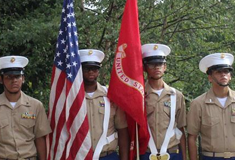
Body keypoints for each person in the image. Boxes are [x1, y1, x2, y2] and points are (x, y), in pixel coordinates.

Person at [79, 49, 129, 160]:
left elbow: (122, 131)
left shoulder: (111, 96)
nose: (91, 72)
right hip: (80, 156)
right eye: (87, 69)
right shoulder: (73, 98)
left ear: (98, 71)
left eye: (95, 68)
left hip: (107, 155)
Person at [140, 44, 187, 160]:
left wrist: (185, 157)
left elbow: (181, 129)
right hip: (146, 153)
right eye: (152, 64)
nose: (157, 67)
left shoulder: (176, 96)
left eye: (160, 64)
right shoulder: (139, 95)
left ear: (165, 67)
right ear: (145, 68)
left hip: (172, 153)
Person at [0, 55, 51, 160]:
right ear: (1, 80)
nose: (14, 80)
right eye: (8, 77)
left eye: (17, 76)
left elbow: (40, 139)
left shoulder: (36, 106)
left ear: (23, 79)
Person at [187, 53, 235, 160]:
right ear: (210, 77)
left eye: (226, 71)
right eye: (218, 72)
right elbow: (192, 137)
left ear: (230, 76)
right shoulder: (198, 103)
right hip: (211, 157)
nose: (223, 75)